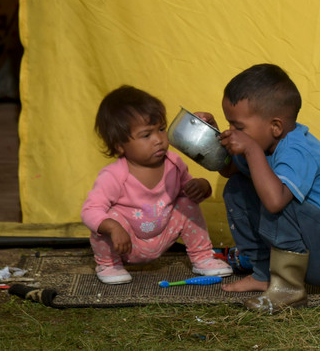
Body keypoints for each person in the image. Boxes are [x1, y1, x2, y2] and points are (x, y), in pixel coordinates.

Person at [196, 64, 320, 313]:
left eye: (239, 127)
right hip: (302, 245)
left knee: (277, 199)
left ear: (275, 127)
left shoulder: (298, 150)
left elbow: (275, 201)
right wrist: (212, 136)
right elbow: (229, 170)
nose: (233, 132)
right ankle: (264, 273)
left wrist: (251, 149)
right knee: (236, 187)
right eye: (229, 125)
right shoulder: (263, 144)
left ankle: (289, 289)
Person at [81, 85, 232, 285]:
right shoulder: (114, 175)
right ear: (119, 145)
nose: (158, 140)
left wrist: (201, 186)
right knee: (105, 220)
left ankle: (202, 257)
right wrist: (112, 227)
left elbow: (189, 193)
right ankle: (108, 265)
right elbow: (90, 210)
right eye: (146, 135)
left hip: (161, 237)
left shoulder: (174, 163)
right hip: (125, 242)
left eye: (161, 129)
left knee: (186, 205)